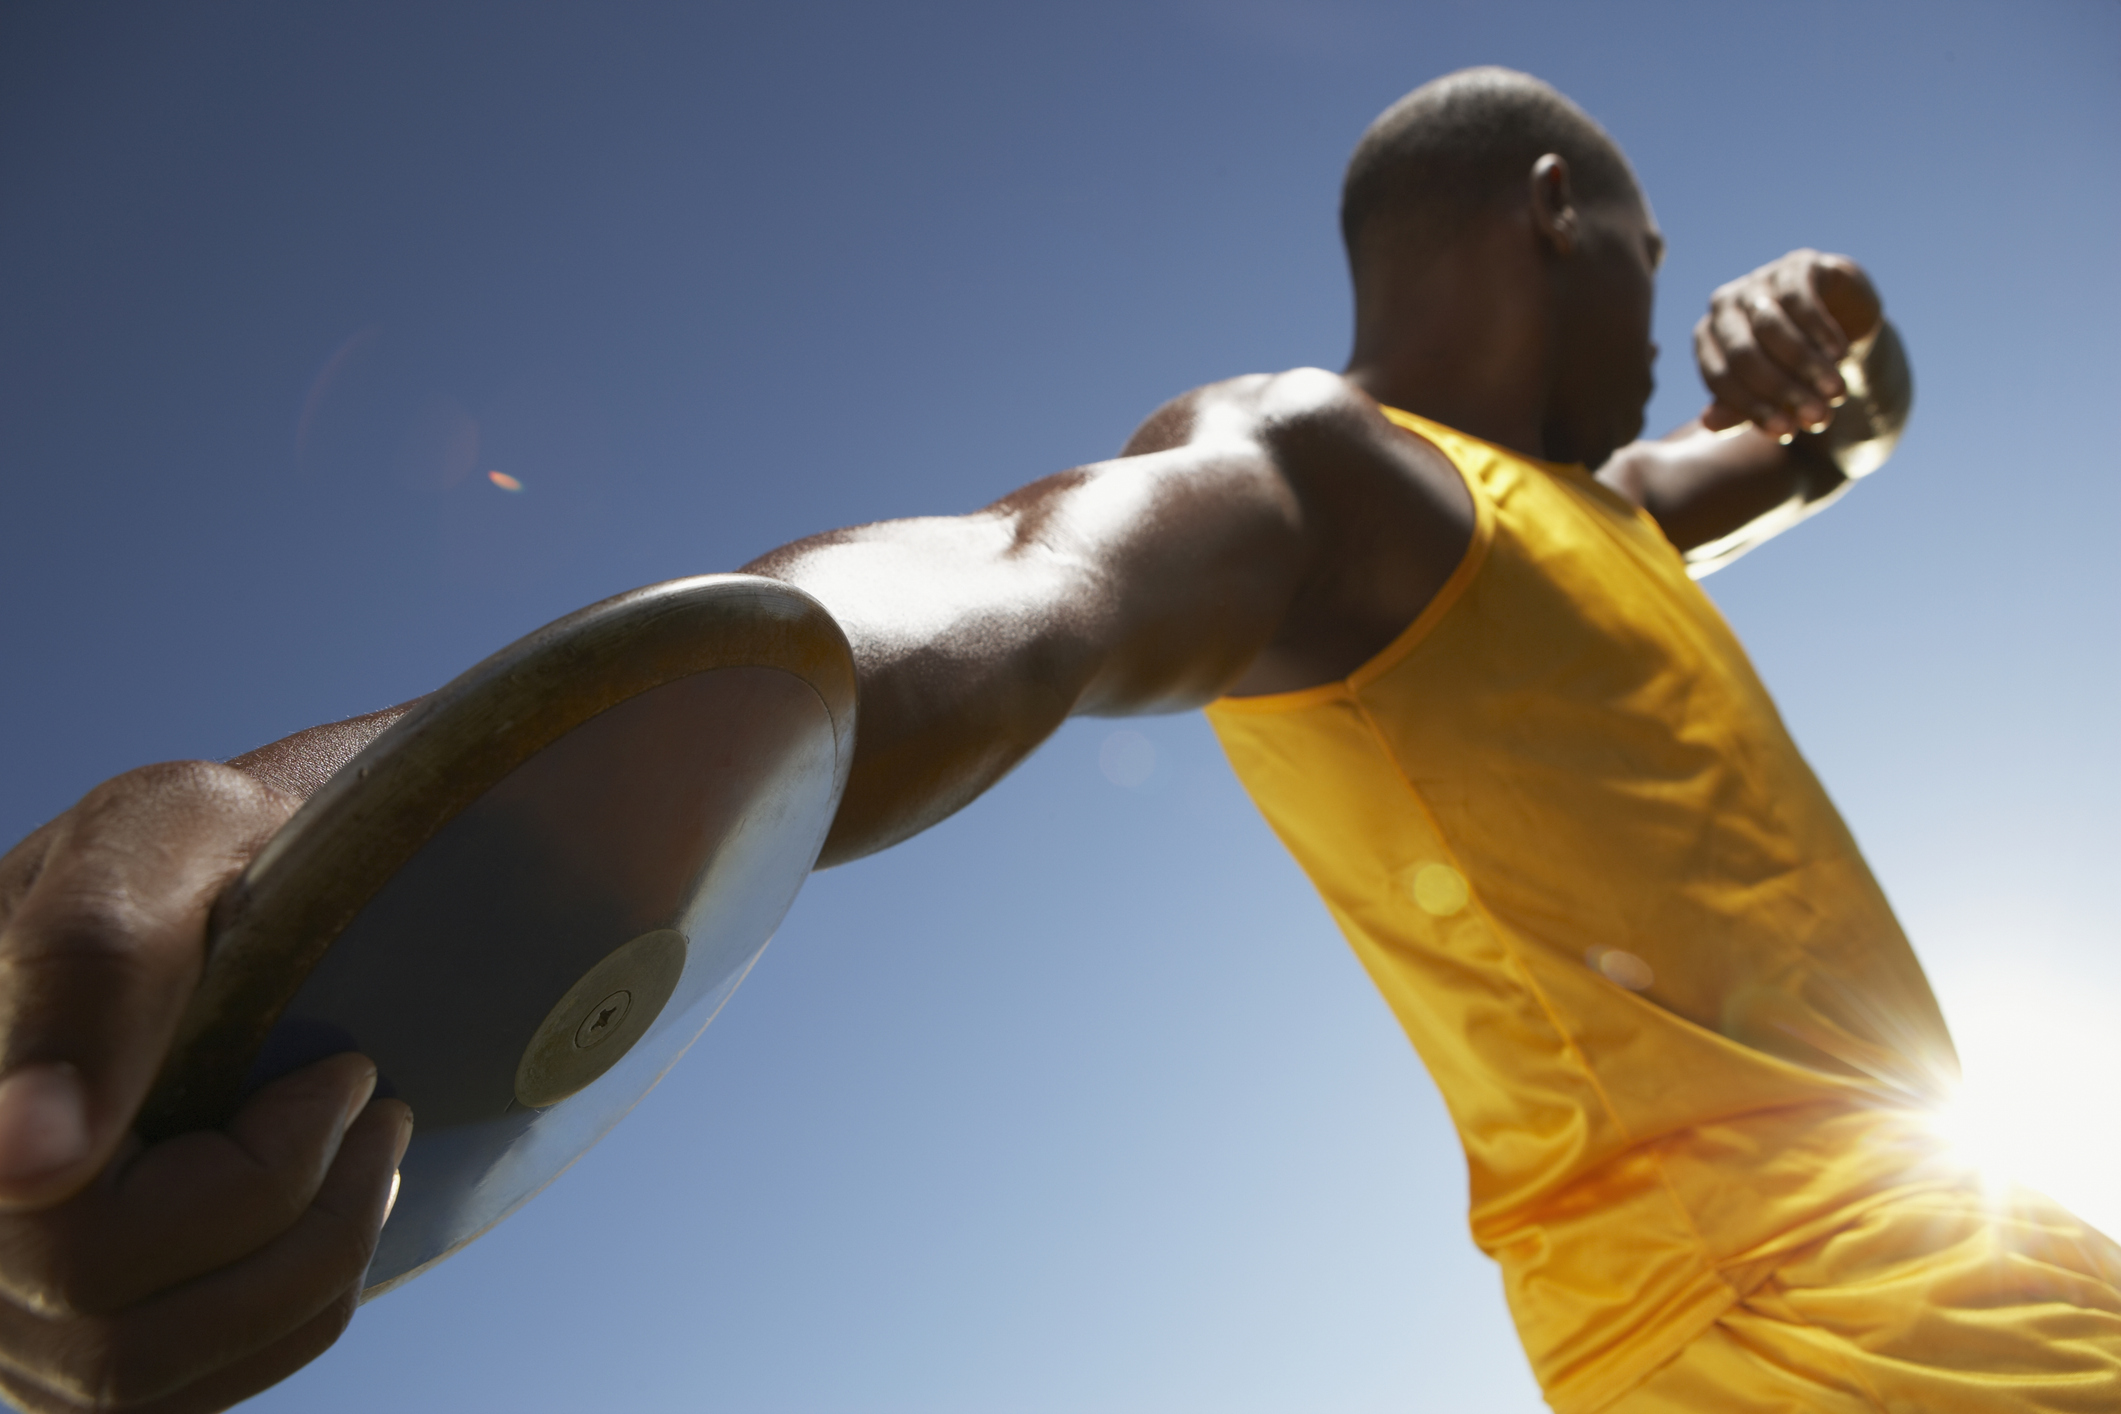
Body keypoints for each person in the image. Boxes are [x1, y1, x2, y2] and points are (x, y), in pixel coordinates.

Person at [0, 65, 2112, 1413]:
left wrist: (1853, 343)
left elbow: (1836, 449)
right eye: (1654, 261)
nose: (1664, 319)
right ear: (1550, 212)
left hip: (1994, 1268)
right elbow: (1003, 584)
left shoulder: (1612, 524)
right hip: (1804, 1337)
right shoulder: (1331, 480)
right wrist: (289, 824)